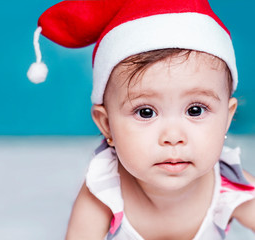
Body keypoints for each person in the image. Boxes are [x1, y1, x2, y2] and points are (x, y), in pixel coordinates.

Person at [27, 0, 255, 239]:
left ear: (227, 119)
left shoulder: (230, 187)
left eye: (195, 110)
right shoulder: (104, 193)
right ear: (107, 125)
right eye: (146, 112)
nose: (173, 137)